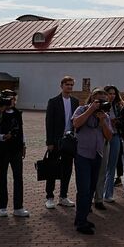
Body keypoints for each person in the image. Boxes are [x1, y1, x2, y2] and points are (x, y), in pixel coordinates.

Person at [71, 87, 114, 234]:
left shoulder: (105, 116)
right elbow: (76, 123)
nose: (102, 104)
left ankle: (81, 217)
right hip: (82, 154)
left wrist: (102, 122)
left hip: (97, 155)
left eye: (104, 101)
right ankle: (81, 223)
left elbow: (109, 137)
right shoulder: (81, 109)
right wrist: (91, 110)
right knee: (83, 189)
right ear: (92, 99)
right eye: (99, 101)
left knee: (90, 189)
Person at [44, 76, 77, 209]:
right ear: (61, 85)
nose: (69, 87)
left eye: (71, 85)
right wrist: (49, 141)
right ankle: (49, 196)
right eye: (67, 84)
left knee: (67, 169)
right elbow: (49, 122)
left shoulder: (75, 101)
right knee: (52, 168)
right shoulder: (53, 101)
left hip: (69, 140)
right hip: (56, 140)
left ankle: (63, 196)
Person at [0, 91, 29, 218]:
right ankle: (2, 206)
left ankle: (18, 206)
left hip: (16, 149)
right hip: (2, 149)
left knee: (18, 177)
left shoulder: (17, 113)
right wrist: (2, 137)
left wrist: (23, 144)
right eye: (10, 99)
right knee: (2, 177)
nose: (12, 102)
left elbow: (20, 129)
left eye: (14, 99)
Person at [94, 85, 122, 207]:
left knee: (112, 166)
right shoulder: (101, 106)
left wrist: (120, 121)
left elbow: (123, 120)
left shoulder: (118, 106)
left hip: (115, 136)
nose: (112, 96)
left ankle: (108, 193)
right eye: (110, 93)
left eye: (114, 93)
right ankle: (97, 194)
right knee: (101, 168)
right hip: (103, 138)